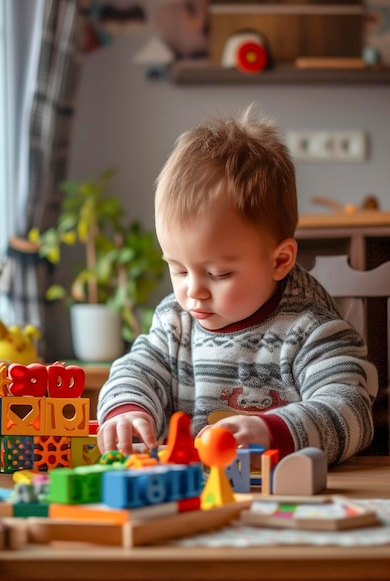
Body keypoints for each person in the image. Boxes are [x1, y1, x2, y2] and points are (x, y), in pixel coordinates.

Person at [97, 106, 378, 465]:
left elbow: (350, 410)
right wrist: (126, 409)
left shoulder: (310, 332)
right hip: (194, 496)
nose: (193, 291)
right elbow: (135, 369)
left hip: (283, 497)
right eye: (179, 270)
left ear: (279, 261)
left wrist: (272, 431)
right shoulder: (175, 324)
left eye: (218, 274)